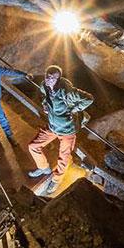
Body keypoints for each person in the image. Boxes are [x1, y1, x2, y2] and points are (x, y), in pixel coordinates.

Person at [27, 65, 94, 196]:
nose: (49, 79)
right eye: (47, 75)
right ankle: (43, 168)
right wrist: (45, 104)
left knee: (63, 158)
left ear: (58, 78)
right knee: (33, 146)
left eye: (52, 77)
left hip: (67, 130)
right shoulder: (44, 86)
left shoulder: (66, 91)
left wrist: (74, 109)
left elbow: (89, 98)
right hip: (52, 126)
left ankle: (56, 180)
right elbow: (45, 97)